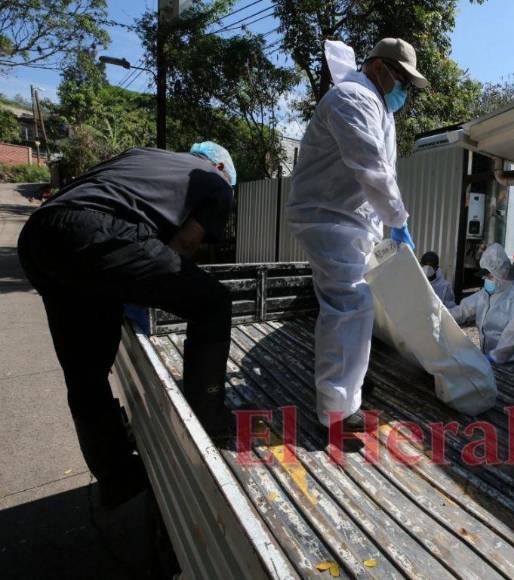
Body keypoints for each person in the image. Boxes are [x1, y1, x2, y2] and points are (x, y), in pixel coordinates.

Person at [17, 143, 236, 507]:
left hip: (39, 235)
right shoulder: (216, 182)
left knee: (86, 375)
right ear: (220, 167)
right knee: (213, 303)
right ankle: (209, 418)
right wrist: (160, 290)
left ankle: (117, 476)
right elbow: (182, 248)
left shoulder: (141, 155)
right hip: (94, 232)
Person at [287, 38, 428, 430]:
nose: (404, 92)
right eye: (402, 80)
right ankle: (337, 409)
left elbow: (378, 168)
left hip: (345, 219)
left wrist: (390, 220)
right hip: (330, 219)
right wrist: (398, 220)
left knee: (355, 303)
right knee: (350, 304)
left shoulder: (372, 102)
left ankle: (350, 385)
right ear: (379, 68)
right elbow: (371, 168)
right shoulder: (353, 98)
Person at [450, 243, 514, 374]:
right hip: (491, 364)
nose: (485, 279)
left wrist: (495, 356)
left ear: (501, 275)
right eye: (485, 276)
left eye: (489, 276)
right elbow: (463, 310)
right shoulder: (486, 294)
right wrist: (439, 316)